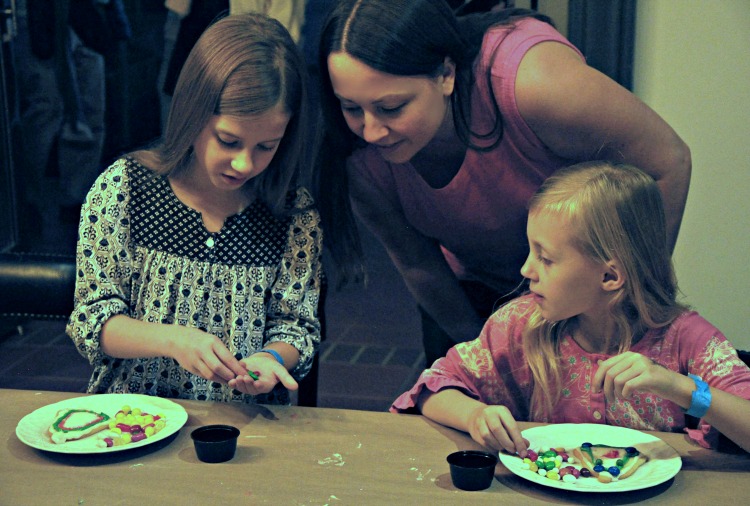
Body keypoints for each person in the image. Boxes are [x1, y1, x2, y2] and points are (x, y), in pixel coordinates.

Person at [315, 0, 692, 366]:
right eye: (351, 107)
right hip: (475, 292)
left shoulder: (534, 83)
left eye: (391, 107)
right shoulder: (357, 159)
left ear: (446, 75)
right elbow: (419, 264)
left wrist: (630, 307)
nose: (371, 130)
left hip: (586, 293)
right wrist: (486, 360)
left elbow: (668, 163)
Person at [390, 162, 750, 454]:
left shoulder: (686, 339)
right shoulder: (521, 325)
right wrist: (475, 415)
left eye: (545, 258)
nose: (526, 270)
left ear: (610, 276)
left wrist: (681, 388)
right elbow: (433, 389)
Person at [66, 12, 323, 406]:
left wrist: (269, 360)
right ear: (193, 111)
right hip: (133, 417)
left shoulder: (292, 213)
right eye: (229, 140)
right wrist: (174, 338)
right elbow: (92, 320)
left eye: (266, 147)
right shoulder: (126, 188)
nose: (244, 164)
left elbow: (296, 326)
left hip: (243, 427)